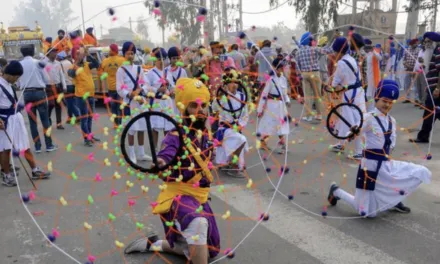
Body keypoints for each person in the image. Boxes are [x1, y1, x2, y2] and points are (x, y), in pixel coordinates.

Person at [124, 78, 220, 264]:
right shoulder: (174, 136)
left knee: (210, 253)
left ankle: (154, 244)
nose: (201, 111)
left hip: (199, 198)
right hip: (179, 198)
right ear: (184, 109)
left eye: (204, 106)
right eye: (194, 106)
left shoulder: (205, 133)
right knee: (199, 224)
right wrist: (160, 163)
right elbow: (165, 156)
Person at [328, 79, 432, 217]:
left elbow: (392, 143)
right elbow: (355, 132)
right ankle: (336, 191)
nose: (387, 105)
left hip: (385, 164)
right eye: (384, 100)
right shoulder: (368, 118)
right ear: (377, 98)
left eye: (390, 102)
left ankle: (394, 201)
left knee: (419, 172)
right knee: (366, 212)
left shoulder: (392, 121)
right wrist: (352, 133)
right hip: (369, 167)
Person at [0, 61, 50, 187]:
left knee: (24, 145)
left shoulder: (9, 84)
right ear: (10, 74)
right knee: (5, 149)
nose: (17, 80)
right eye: (16, 77)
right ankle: (6, 175)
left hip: (16, 119)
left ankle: (34, 170)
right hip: (5, 120)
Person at [329, 37, 366, 160]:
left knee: (354, 122)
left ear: (339, 51)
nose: (333, 54)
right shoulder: (351, 59)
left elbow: (336, 81)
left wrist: (332, 88)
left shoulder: (341, 63)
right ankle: (341, 143)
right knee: (347, 118)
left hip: (351, 95)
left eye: (335, 51)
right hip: (357, 92)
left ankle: (359, 151)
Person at [116, 41, 151, 163]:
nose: (130, 56)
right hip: (129, 103)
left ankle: (141, 153)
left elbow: (145, 83)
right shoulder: (121, 70)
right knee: (131, 129)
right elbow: (119, 88)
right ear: (124, 55)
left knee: (142, 127)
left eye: (132, 53)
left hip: (140, 102)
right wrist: (130, 94)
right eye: (128, 53)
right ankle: (132, 154)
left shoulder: (139, 68)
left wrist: (142, 91)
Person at [18, 44, 57, 153]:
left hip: (26, 93)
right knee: (45, 119)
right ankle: (49, 145)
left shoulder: (20, 64)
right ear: (33, 52)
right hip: (39, 93)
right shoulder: (38, 63)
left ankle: (37, 147)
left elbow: (18, 81)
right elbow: (46, 79)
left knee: (32, 121)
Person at [212, 69, 249, 177]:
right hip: (225, 129)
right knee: (242, 140)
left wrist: (240, 125)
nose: (234, 85)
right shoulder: (222, 97)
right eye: (231, 82)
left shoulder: (242, 96)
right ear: (226, 84)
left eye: (235, 82)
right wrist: (218, 96)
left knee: (240, 140)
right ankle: (232, 165)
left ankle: (230, 163)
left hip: (236, 127)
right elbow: (214, 107)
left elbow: (245, 114)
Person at [409, 32, 440, 143]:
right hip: (432, 88)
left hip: (436, 89)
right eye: (425, 42)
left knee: (431, 112)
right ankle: (423, 136)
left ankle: (423, 136)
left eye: (428, 42)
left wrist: (438, 88)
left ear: (434, 42)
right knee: (430, 112)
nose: (426, 44)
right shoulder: (432, 52)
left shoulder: (438, 50)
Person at [296, 32, 334, 122]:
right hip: (315, 73)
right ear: (309, 41)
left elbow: (297, 66)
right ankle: (319, 114)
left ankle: (308, 116)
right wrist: (333, 40)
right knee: (318, 95)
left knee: (307, 96)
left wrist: (299, 76)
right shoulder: (314, 49)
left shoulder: (298, 52)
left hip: (304, 74)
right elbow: (328, 50)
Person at [257, 58, 291, 154]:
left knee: (281, 124)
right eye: (281, 68)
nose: (283, 69)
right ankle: (264, 142)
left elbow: (284, 93)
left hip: (281, 105)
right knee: (270, 125)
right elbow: (264, 94)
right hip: (271, 105)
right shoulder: (270, 80)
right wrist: (260, 109)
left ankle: (282, 142)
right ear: (277, 68)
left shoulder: (283, 79)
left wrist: (287, 100)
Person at [68, 46, 100, 146]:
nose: (80, 55)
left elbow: (97, 64)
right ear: (74, 56)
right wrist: (77, 61)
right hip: (81, 97)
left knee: (90, 117)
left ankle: (89, 135)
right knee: (84, 118)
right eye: (77, 54)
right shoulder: (72, 67)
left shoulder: (86, 65)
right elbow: (72, 74)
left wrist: (88, 54)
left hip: (90, 95)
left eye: (80, 53)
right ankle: (86, 138)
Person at [100, 44, 126, 127]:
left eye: (109, 50)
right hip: (119, 88)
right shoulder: (122, 60)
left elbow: (100, 70)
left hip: (111, 88)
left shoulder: (105, 61)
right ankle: (119, 122)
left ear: (112, 50)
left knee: (114, 107)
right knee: (119, 106)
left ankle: (116, 123)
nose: (109, 51)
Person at [45, 47, 66, 129]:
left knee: (59, 105)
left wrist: (64, 86)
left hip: (58, 86)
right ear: (49, 54)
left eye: (56, 52)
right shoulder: (45, 63)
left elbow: (61, 75)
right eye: (53, 52)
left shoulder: (58, 63)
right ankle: (48, 118)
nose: (55, 54)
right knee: (51, 104)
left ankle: (59, 123)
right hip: (49, 87)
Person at [58, 51, 80, 124]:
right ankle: (69, 117)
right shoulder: (70, 62)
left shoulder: (60, 64)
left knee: (70, 103)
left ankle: (78, 115)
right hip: (73, 84)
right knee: (71, 101)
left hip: (67, 85)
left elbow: (60, 76)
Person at [165, 46, 188, 115]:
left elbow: (186, 84)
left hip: (180, 99)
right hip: (169, 98)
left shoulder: (183, 71)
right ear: (170, 59)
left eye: (177, 58)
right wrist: (169, 91)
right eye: (173, 58)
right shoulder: (166, 71)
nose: (175, 60)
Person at [364, 39, 382, 111]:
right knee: (369, 95)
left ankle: (373, 108)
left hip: (375, 77)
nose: (365, 49)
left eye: (367, 47)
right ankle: (372, 107)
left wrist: (373, 50)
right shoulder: (367, 55)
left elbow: (380, 58)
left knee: (373, 94)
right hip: (368, 77)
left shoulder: (375, 53)